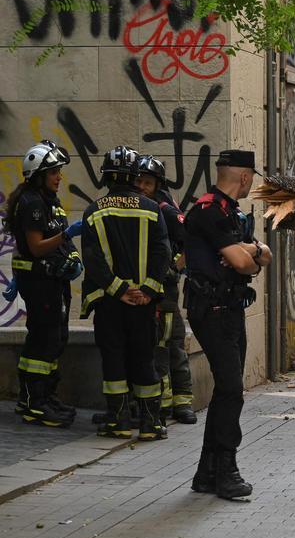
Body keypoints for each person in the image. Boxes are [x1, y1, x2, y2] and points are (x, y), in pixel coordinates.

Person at [184, 149, 272, 500]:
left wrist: (250, 251)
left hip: (230, 308)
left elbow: (261, 254)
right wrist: (250, 254)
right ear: (245, 177)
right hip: (212, 309)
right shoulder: (209, 211)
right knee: (232, 389)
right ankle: (226, 471)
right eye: (252, 179)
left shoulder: (231, 212)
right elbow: (245, 263)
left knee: (226, 389)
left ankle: (207, 473)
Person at [81, 146, 171, 441]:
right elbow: (162, 253)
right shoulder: (152, 209)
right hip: (142, 304)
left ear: (106, 176)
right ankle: (150, 424)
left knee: (114, 358)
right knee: (144, 358)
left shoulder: (93, 211)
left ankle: (118, 421)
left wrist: (119, 290)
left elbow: (92, 260)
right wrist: (146, 290)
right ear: (134, 176)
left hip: (109, 302)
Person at [3, 141, 83, 428]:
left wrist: (72, 257)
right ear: (38, 174)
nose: (59, 177)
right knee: (44, 340)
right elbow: (36, 247)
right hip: (40, 283)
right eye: (53, 172)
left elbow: (56, 239)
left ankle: (43, 396)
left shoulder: (48, 200)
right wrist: (68, 234)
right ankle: (35, 403)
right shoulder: (33, 203)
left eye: (59, 171)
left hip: (51, 281)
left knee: (55, 338)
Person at [133, 154, 196, 424]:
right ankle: (168, 403)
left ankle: (179, 403)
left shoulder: (165, 210)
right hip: (146, 290)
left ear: (157, 185)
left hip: (165, 292)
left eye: (147, 183)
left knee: (171, 346)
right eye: (138, 181)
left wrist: (174, 268)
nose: (141, 187)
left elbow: (192, 240)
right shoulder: (136, 207)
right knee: (159, 346)